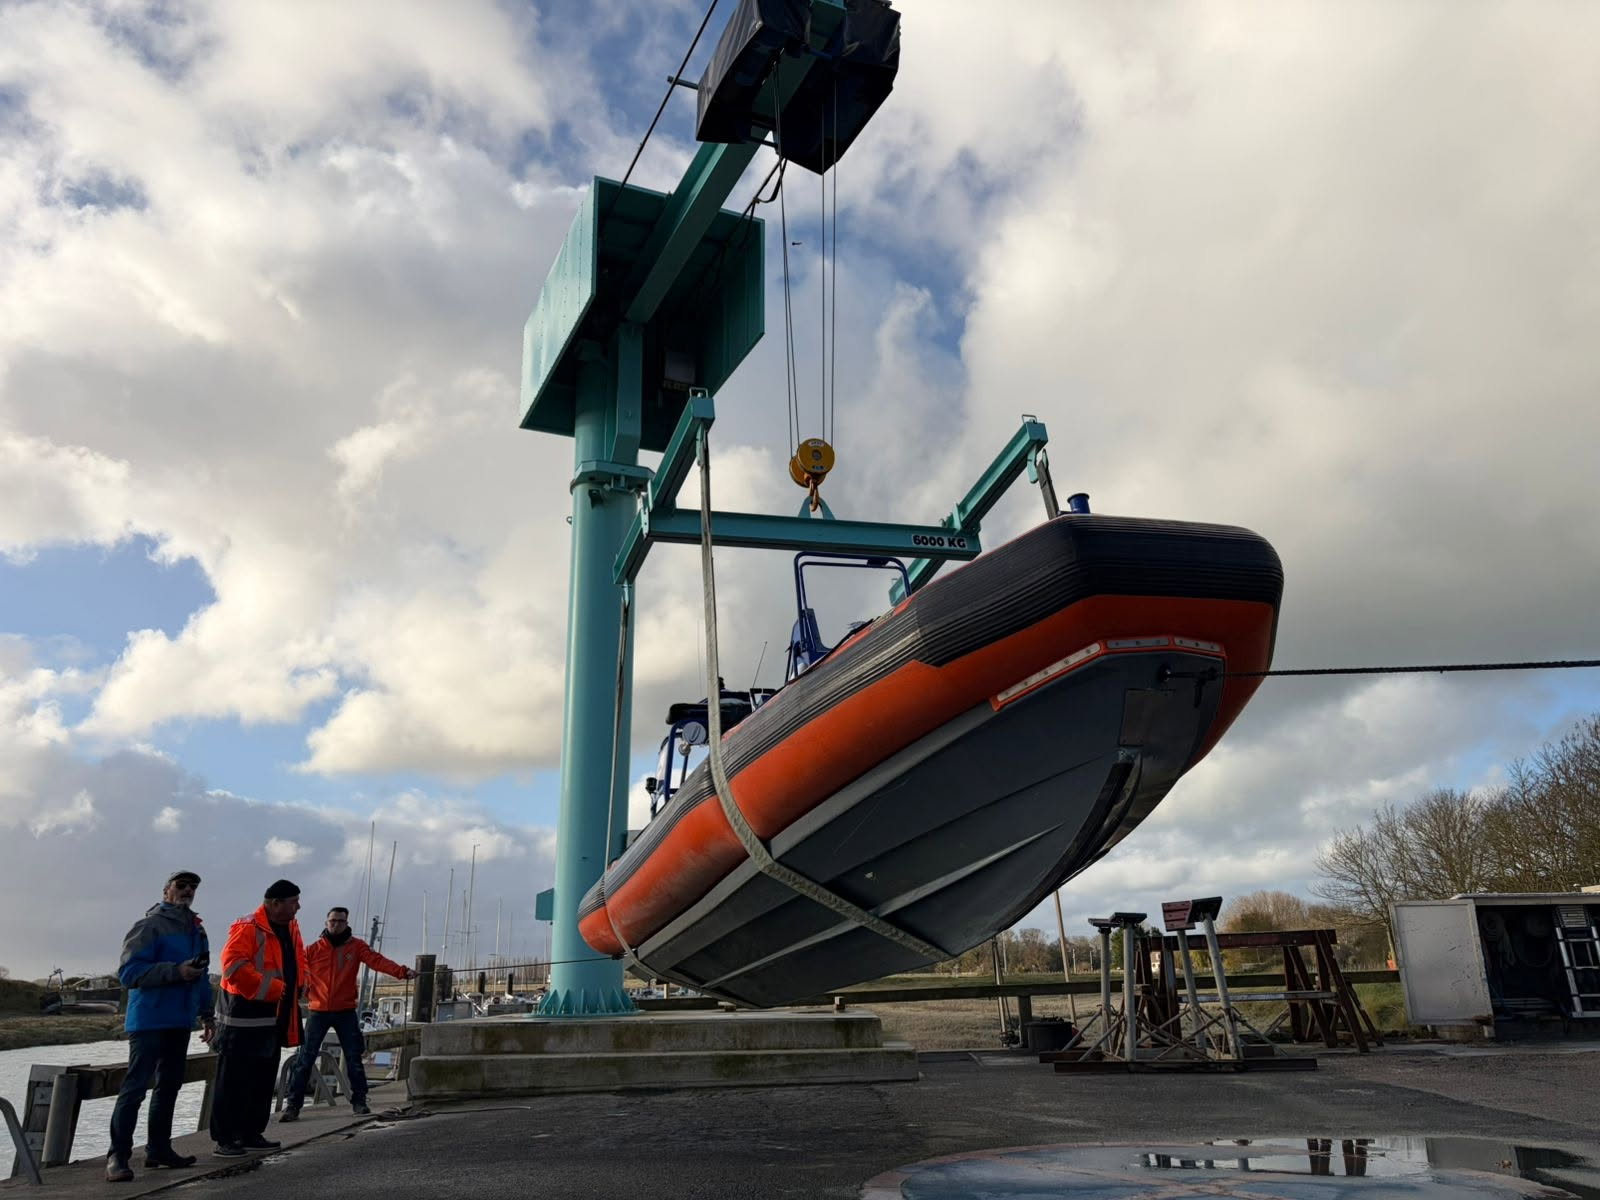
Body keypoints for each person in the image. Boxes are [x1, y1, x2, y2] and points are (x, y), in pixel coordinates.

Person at [105, 870, 216, 1183]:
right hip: (149, 1021)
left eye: (193, 886)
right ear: (167, 890)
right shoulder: (148, 926)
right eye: (181, 885)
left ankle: (159, 1149)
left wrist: (207, 1015)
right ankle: (118, 1156)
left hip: (180, 1021)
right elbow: (129, 973)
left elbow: (202, 976)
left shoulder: (197, 930)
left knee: (169, 1086)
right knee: (135, 1087)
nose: (188, 890)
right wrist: (175, 971)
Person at [281, 907, 416, 1120]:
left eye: (340, 921)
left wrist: (402, 972)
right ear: (326, 923)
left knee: (354, 1058)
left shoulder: (356, 947)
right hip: (318, 1011)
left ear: (347, 923)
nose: (336, 924)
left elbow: (378, 961)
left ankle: (359, 1102)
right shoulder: (313, 950)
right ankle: (292, 1106)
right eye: (333, 921)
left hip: (345, 1011)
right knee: (305, 1058)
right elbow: (297, 972)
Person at [210, 879, 306, 1157]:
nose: (298, 907)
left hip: (273, 1017)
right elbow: (233, 967)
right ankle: (226, 1138)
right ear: (275, 903)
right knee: (233, 1081)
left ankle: (251, 1132)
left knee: (263, 1079)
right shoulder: (248, 927)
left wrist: (302, 983)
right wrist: (274, 989)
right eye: (294, 902)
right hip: (241, 1018)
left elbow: (299, 959)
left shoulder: (291, 927)